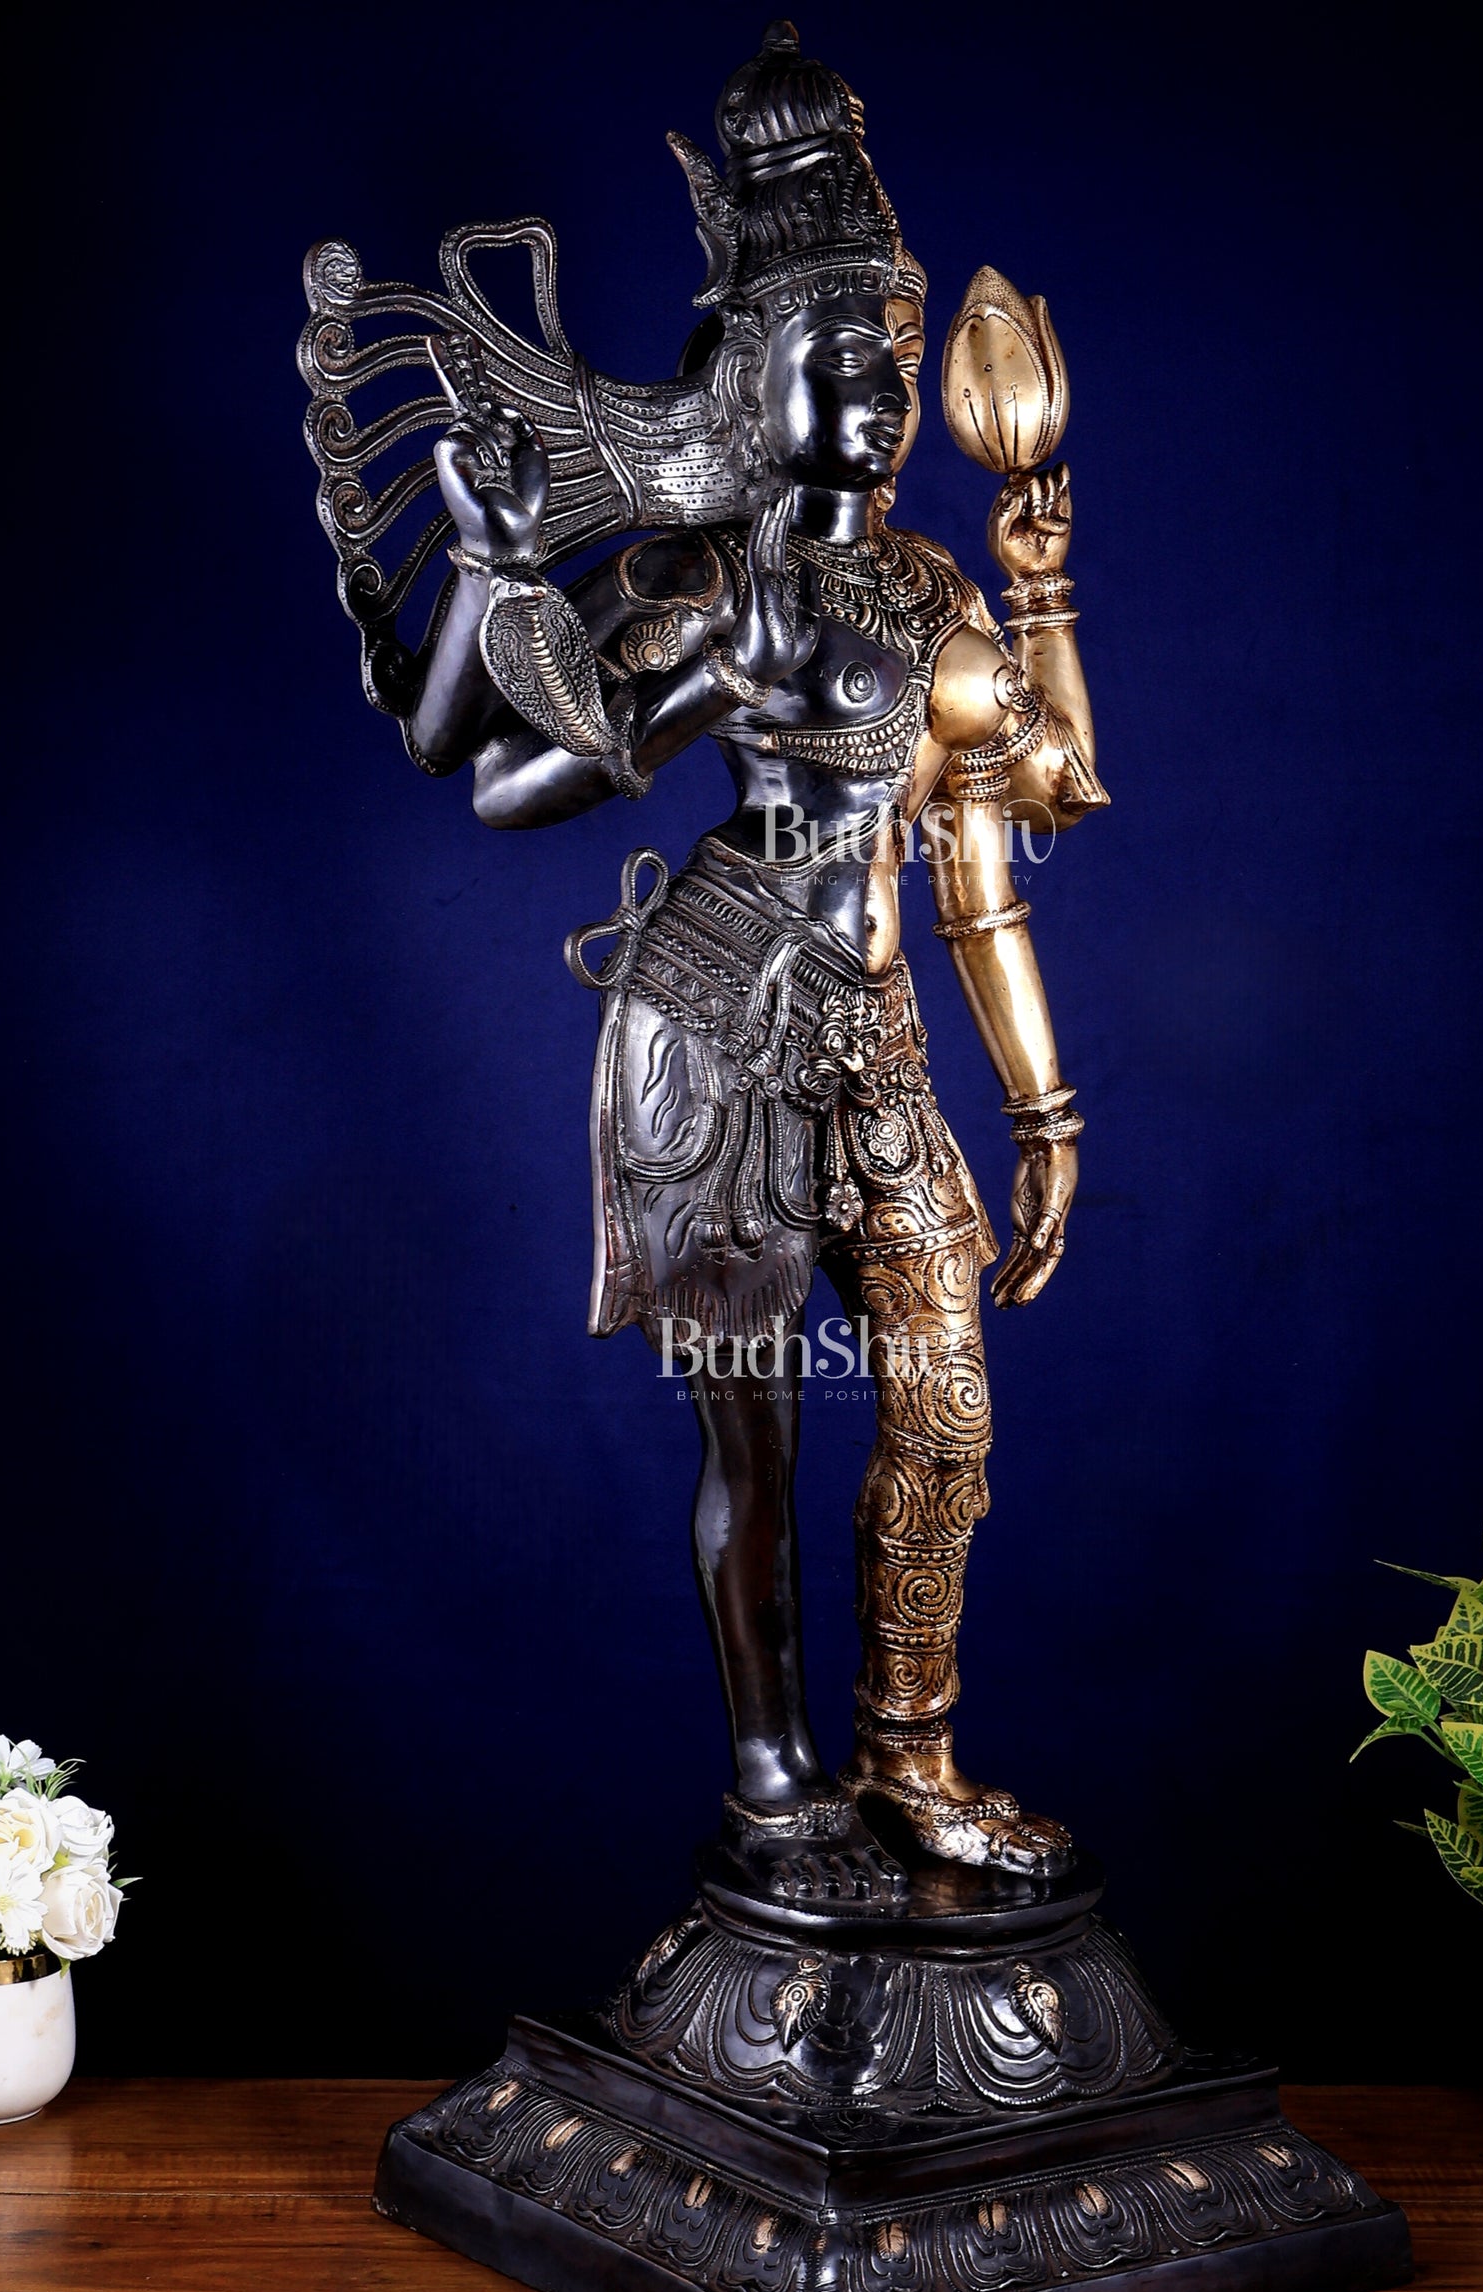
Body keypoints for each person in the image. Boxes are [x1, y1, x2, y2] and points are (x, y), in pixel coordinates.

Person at [374, 25, 1105, 1903]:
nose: (872, 392)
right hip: (714, 1027)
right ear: (751, 375)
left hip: (876, 1040)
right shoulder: (712, 579)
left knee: (942, 1407)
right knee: (759, 1443)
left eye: (889, 358)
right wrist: (522, 583)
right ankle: (775, 1786)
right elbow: (502, 779)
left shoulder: (926, 593)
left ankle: (910, 1756)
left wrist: (1043, 1110)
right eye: (830, 357)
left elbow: (1016, 828)